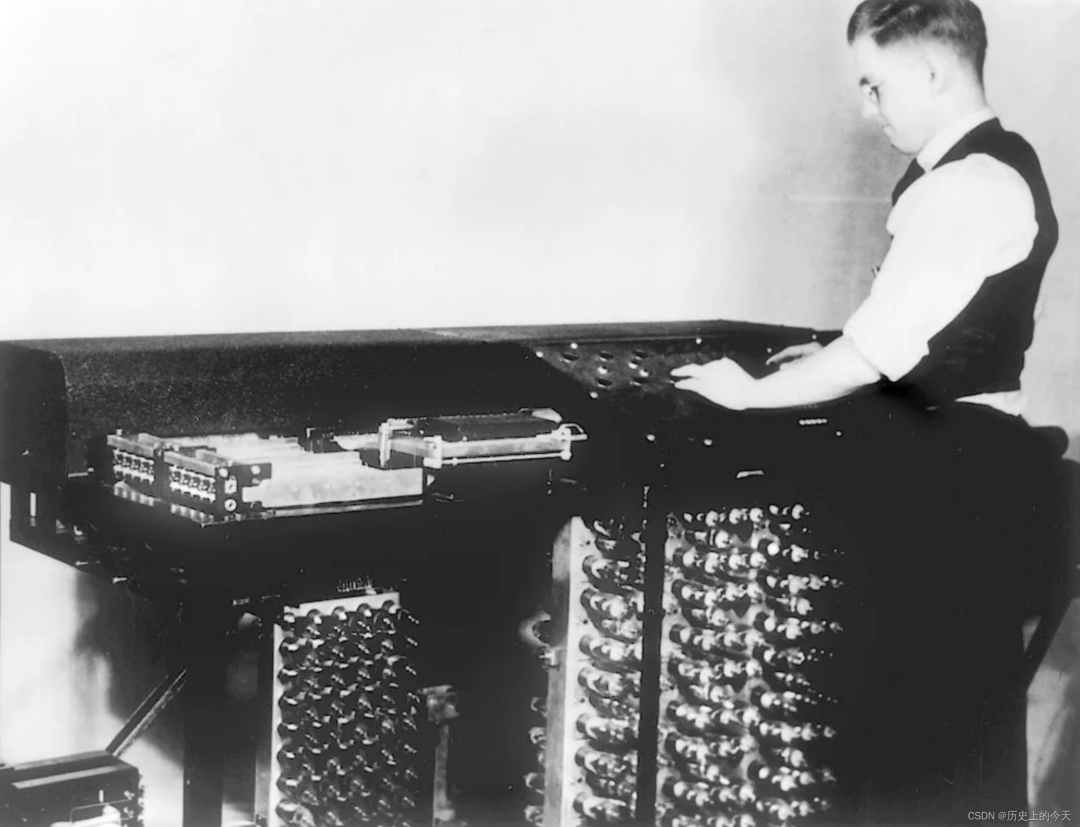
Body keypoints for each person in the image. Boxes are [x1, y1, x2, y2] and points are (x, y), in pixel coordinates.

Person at [673, 1, 1067, 823]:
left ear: (933, 69)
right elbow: (934, 325)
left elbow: (874, 355)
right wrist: (823, 349)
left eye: (875, 85)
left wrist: (749, 392)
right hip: (970, 471)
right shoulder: (993, 167)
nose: (866, 107)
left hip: (948, 485)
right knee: (951, 733)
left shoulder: (968, 185)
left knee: (919, 741)